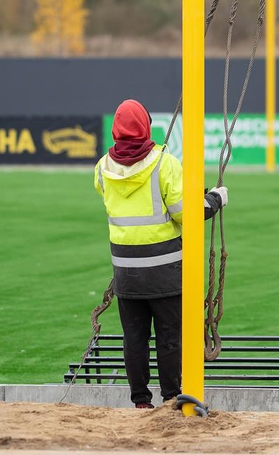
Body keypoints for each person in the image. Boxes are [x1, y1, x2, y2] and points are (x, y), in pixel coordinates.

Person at [93, 99, 229, 409]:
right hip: (165, 271)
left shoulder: (102, 167)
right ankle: (171, 398)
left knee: (134, 339)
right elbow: (189, 215)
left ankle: (141, 402)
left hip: (126, 272)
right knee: (169, 338)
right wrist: (215, 199)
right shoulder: (164, 163)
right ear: (145, 127)